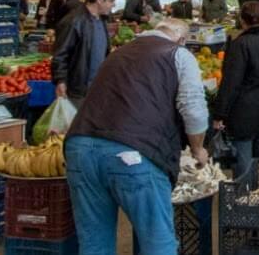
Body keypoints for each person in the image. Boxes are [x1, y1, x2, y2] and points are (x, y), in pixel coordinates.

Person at [65, 19, 209, 255]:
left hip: (80, 148)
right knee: (157, 243)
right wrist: (198, 149)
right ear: (182, 40)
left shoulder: (118, 53)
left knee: (94, 244)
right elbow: (193, 108)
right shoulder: (179, 55)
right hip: (134, 154)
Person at [212, 1, 259, 179]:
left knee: (243, 157)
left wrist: (220, 114)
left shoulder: (240, 44)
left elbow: (231, 82)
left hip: (245, 110)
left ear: (242, 20)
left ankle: (244, 198)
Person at [52, 0, 117, 109]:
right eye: (111, 1)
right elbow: (60, 53)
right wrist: (61, 80)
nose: (113, 5)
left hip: (97, 87)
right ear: (99, 0)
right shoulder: (74, 21)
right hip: (78, 88)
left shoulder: (101, 20)